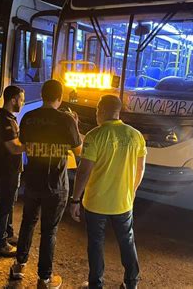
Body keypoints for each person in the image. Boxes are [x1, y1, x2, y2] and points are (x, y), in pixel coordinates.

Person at [10, 79, 82, 289]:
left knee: (28, 222)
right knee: (49, 231)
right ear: (59, 98)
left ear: (42, 95)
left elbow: (22, 145)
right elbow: (78, 152)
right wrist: (74, 125)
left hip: (32, 181)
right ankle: (44, 279)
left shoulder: (29, 118)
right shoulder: (66, 120)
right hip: (56, 185)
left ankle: (19, 266)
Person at [69, 95, 146, 289]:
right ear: (118, 112)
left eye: (97, 112)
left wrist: (75, 200)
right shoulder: (135, 135)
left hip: (96, 203)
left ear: (101, 111)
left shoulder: (95, 135)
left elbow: (84, 171)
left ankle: (96, 284)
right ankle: (131, 282)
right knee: (127, 241)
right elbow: (140, 169)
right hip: (123, 202)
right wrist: (132, 191)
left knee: (95, 244)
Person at [0, 85, 26, 256]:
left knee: (10, 203)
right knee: (5, 205)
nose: (23, 102)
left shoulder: (9, 118)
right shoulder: (4, 120)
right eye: (21, 99)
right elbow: (14, 148)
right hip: (7, 170)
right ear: (13, 100)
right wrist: (32, 144)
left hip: (12, 169)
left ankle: (9, 235)